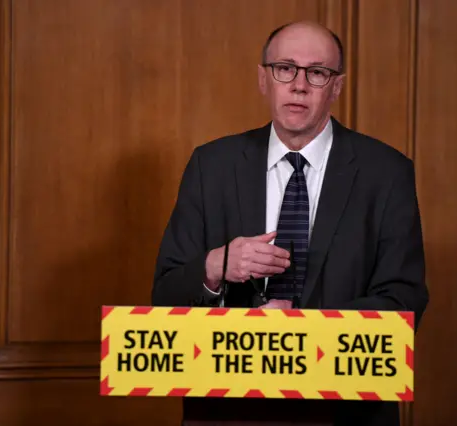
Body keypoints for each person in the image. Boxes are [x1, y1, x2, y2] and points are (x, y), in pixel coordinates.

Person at [152, 20, 428, 426]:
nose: (299, 84)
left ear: (336, 87)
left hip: (344, 411)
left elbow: (403, 301)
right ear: (264, 79)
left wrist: (303, 334)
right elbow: (165, 295)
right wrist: (215, 268)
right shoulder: (210, 166)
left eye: (317, 73)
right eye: (285, 68)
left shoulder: (387, 172)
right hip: (228, 411)